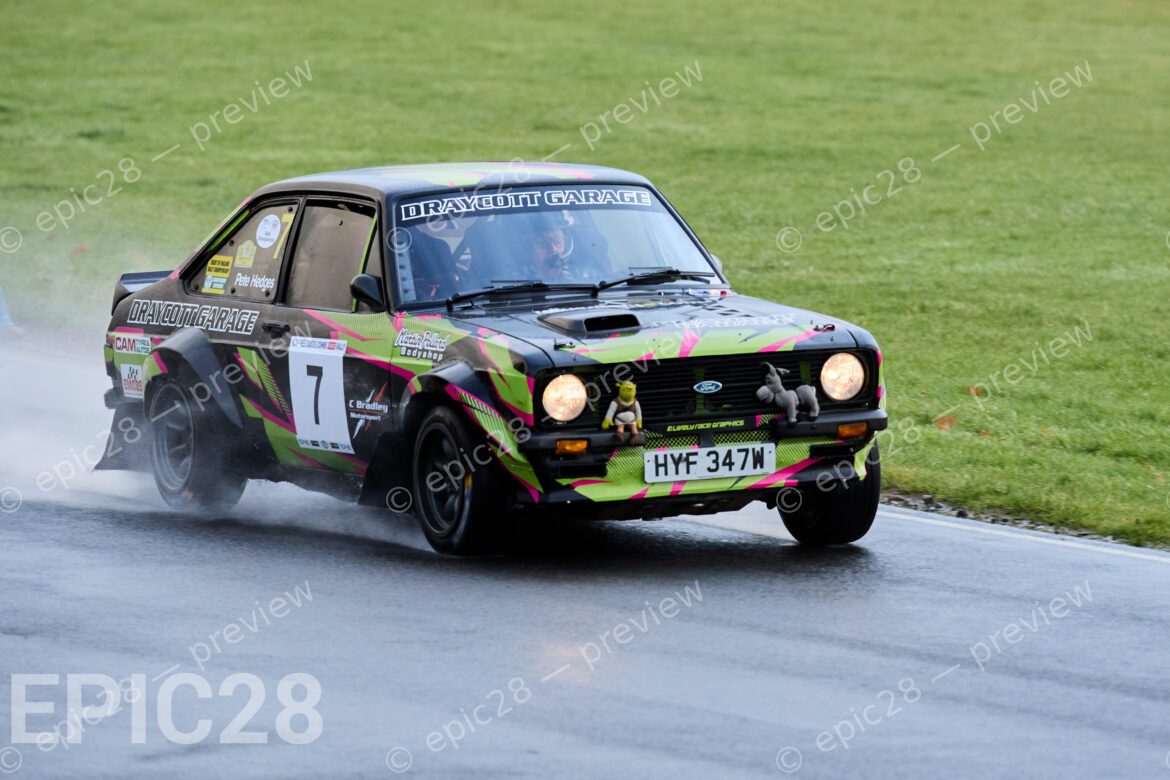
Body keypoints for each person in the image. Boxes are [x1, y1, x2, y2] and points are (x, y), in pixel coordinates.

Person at [526, 211, 609, 283]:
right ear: (530, 247)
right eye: (542, 243)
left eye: (558, 241)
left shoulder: (582, 274)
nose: (553, 249)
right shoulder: (518, 281)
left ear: (565, 241)